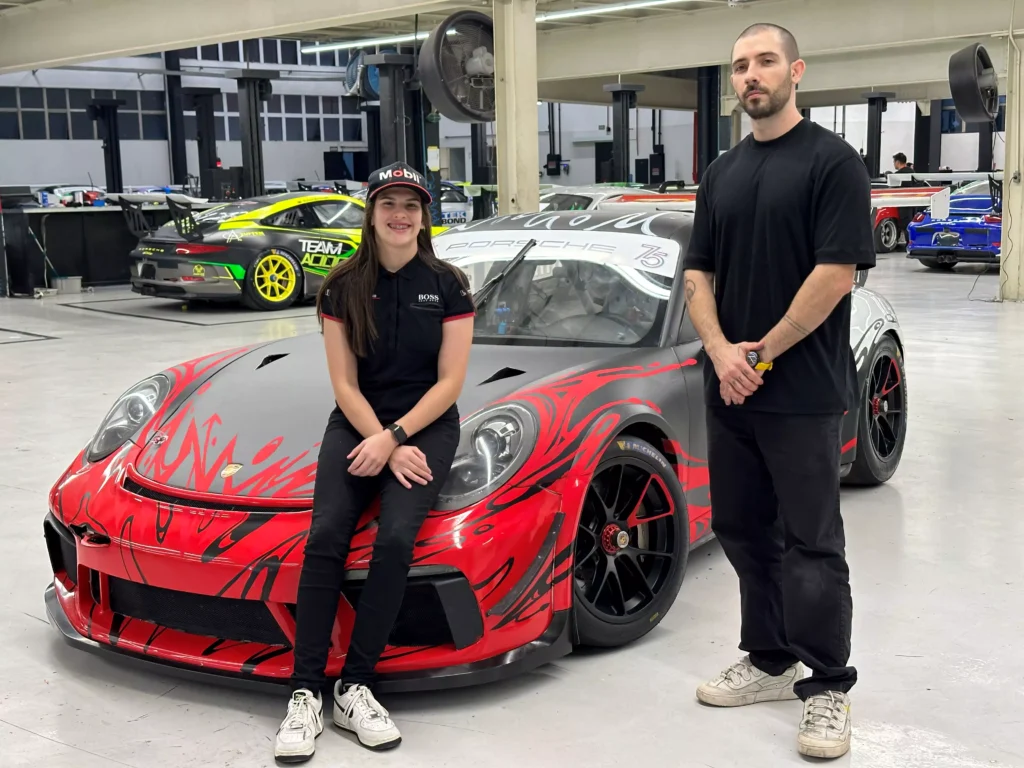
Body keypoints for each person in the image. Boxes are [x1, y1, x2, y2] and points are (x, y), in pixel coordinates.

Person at [681, 23, 875, 760]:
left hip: (800, 389)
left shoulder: (833, 163)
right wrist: (722, 350)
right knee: (741, 529)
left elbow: (834, 274)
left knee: (812, 543)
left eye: (764, 61)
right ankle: (768, 659)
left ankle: (827, 686)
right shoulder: (723, 172)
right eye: (739, 66)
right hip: (730, 388)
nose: (750, 75)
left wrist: (759, 354)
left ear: (795, 70)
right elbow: (699, 273)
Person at [273, 161, 475, 763]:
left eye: (411, 205)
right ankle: (304, 691)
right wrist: (380, 438)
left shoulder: (448, 284)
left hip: (427, 426)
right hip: (359, 423)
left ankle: (355, 684)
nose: (400, 215)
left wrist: (398, 437)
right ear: (371, 212)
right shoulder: (341, 286)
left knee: (393, 541)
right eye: (389, 203)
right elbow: (343, 381)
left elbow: (451, 382)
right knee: (327, 533)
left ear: (424, 215)